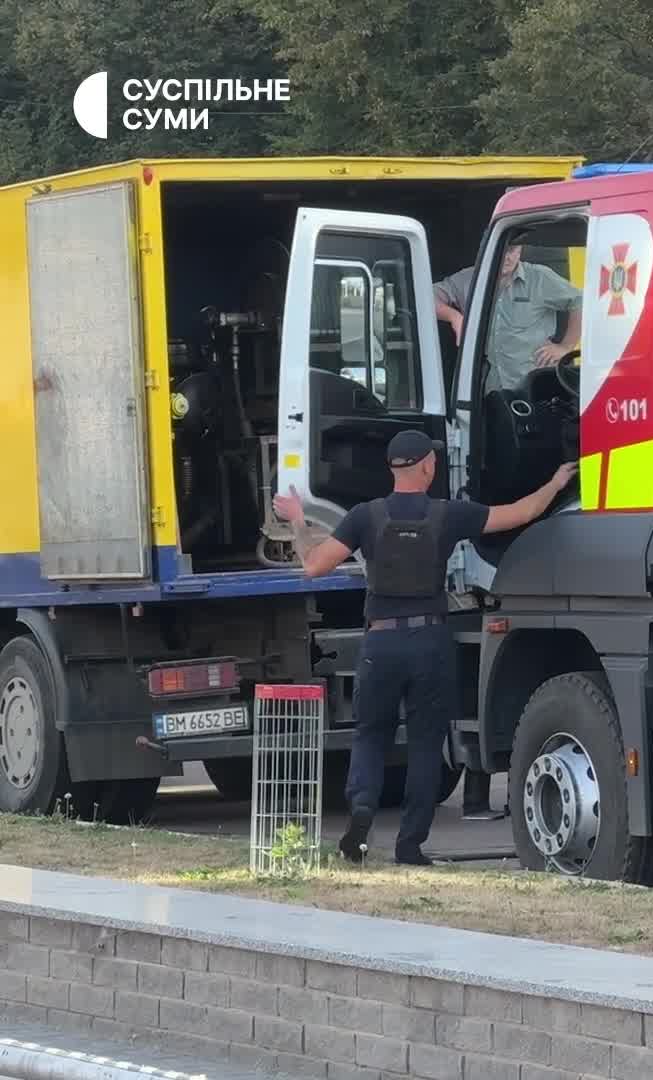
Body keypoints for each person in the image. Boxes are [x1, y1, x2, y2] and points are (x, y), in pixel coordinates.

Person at [273, 430, 576, 866]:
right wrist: (555, 482)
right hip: (430, 640)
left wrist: (299, 518)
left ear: (392, 468)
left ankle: (360, 817)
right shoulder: (448, 515)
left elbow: (313, 565)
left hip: (380, 640)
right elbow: (520, 513)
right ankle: (410, 844)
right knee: (424, 743)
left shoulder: (365, 516)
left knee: (370, 735)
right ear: (429, 467)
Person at [434, 243, 581, 394]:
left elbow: (580, 301)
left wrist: (566, 347)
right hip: (492, 389)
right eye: (501, 250)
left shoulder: (539, 277)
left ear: (520, 250)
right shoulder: (469, 278)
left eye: (512, 250)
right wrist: (454, 317)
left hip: (537, 387)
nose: (507, 257)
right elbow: (426, 297)